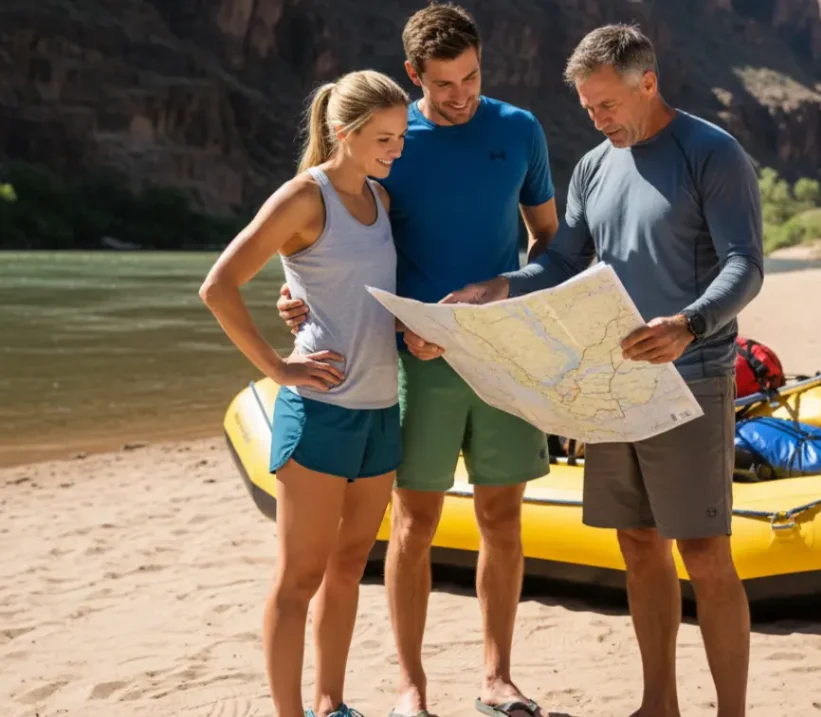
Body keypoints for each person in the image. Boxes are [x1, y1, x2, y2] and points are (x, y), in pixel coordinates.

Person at [438, 24, 764, 717]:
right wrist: (490, 291)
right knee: (639, 542)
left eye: (607, 104)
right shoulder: (591, 166)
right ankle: (659, 705)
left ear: (648, 83)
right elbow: (560, 262)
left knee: (705, 554)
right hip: (614, 383)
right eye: (587, 107)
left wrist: (688, 323)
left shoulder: (712, 153)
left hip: (692, 374)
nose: (598, 118)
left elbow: (745, 264)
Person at [275, 5, 560, 717]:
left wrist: (507, 299)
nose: (461, 95)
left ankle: (498, 677)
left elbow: (550, 248)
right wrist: (296, 290)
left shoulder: (520, 130)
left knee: (502, 516)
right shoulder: (394, 138)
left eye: (472, 77)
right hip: (414, 357)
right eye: (445, 83)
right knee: (415, 522)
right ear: (414, 75)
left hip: (501, 355)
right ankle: (412, 687)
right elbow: (331, 224)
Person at [199, 70, 410, 717]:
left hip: (381, 411)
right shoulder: (302, 198)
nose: (395, 150)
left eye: (400, 137)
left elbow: (364, 296)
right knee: (299, 579)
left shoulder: (383, 200)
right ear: (341, 133)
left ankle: (330, 702)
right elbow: (219, 285)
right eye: (383, 138)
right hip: (319, 413)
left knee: (350, 568)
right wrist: (279, 367)